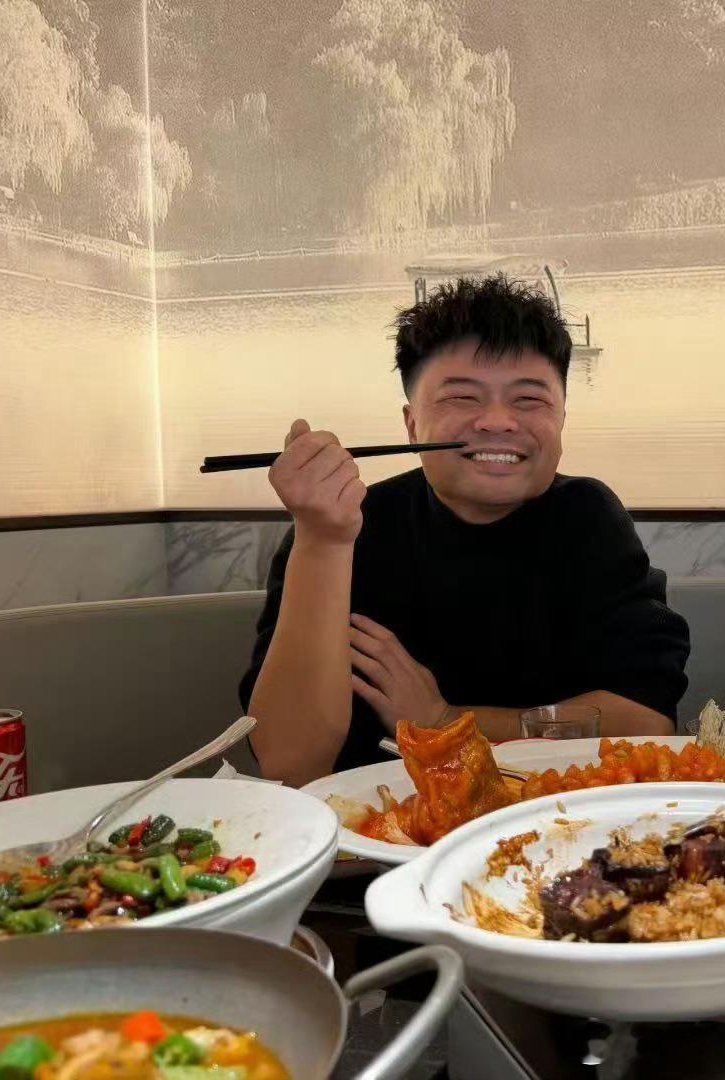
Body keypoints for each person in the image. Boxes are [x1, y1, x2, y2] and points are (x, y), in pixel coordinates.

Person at [240, 275, 690, 787]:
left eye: (529, 400)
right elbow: (291, 763)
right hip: (372, 822)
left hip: (555, 821)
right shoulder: (345, 526)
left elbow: (646, 723)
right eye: (462, 397)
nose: (497, 421)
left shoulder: (587, 518)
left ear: (562, 418)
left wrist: (444, 721)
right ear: (412, 424)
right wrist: (323, 540)